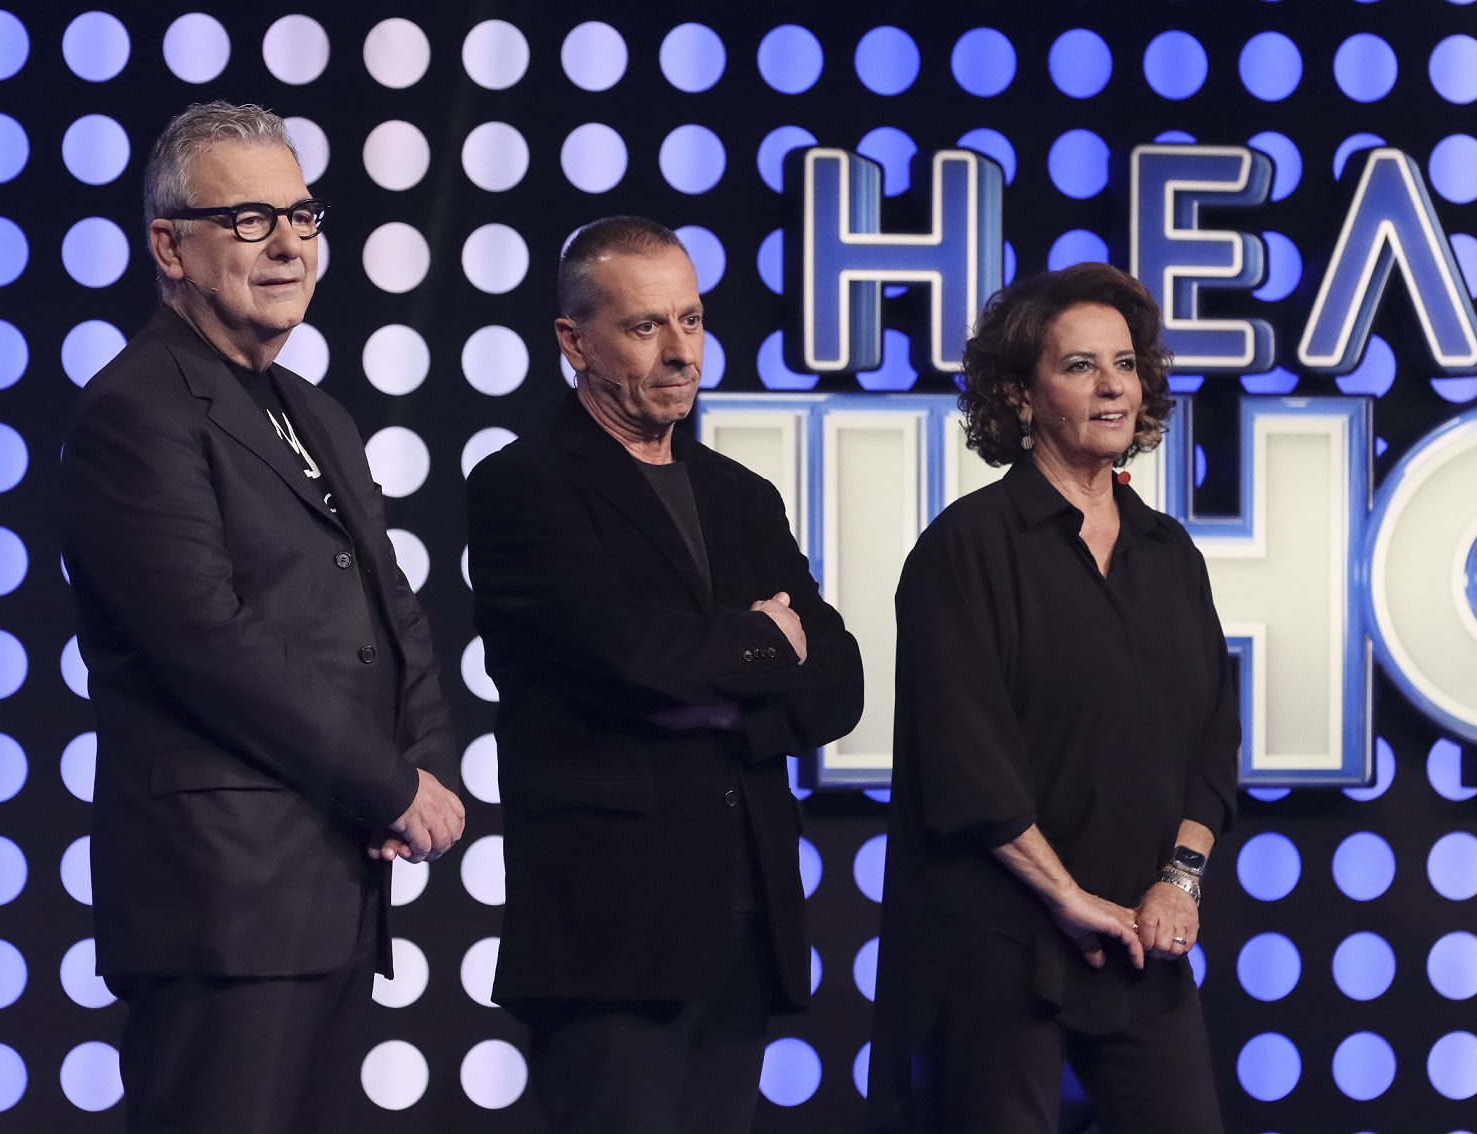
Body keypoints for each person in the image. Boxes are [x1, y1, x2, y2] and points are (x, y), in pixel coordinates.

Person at [59, 101, 465, 1133]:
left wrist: (427, 757)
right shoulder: (134, 409)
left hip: (332, 889)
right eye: (248, 219)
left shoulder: (316, 412)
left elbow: (390, 608)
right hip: (222, 898)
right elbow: (209, 641)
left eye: (300, 215)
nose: (287, 244)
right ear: (170, 247)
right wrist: (388, 784)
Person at [466, 216, 864, 1134]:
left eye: (690, 320)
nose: (681, 351)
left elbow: (837, 681)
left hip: (746, 920)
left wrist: (723, 706)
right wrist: (761, 648)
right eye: (646, 326)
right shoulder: (523, 485)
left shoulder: (740, 495)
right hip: (612, 937)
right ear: (574, 342)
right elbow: (624, 657)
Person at [865, 263, 1238, 1134]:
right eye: (1079, 366)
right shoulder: (965, 549)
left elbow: (1212, 738)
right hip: (1000, 941)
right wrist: (1066, 897)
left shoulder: (1168, 553)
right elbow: (965, 766)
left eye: (1124, 364)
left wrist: (1177, 882)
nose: (1112, 386)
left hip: (1139, 937)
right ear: (1018, 395)